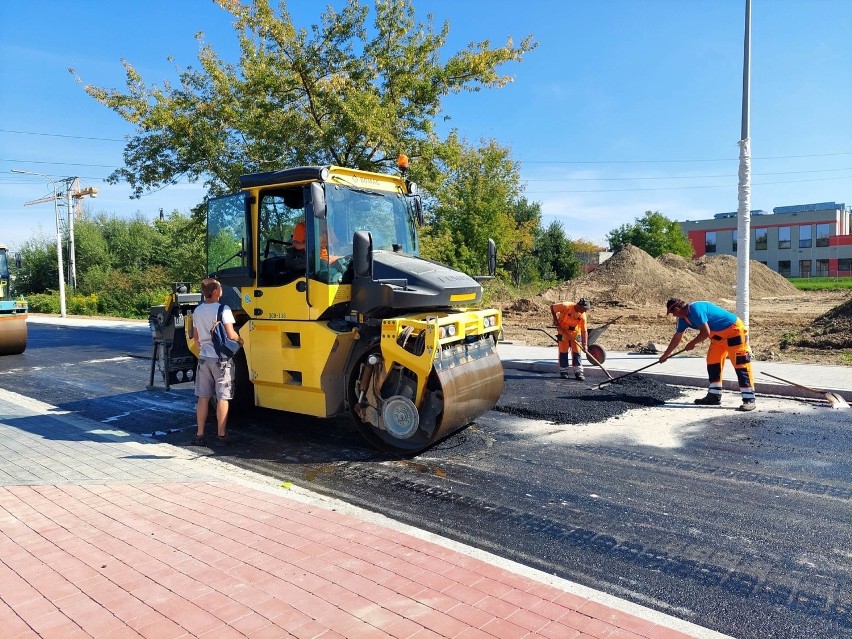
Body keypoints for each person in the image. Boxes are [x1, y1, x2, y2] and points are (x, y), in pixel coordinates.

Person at [659, 298, 756, 411]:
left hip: (734, 333)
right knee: (712, 362)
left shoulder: (695, 309)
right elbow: (677, 336)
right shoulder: (683, 319)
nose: (674, 316)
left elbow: (705, 332)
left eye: (673, 313)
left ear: (677, 309)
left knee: (741, 365)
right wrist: (666, 354)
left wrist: (692, 343)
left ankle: (749, 399)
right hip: (717, 339)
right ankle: (714, 396)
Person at [191, 278, 244, 446]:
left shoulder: (198, 310)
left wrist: (204, 350)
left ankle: (199, 434)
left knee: (203, 397)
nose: (222, 290)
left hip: (204, 359)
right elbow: (230, 334)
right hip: (221, 359)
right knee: (223, 397)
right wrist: (240, 340)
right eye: (219, 288)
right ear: (214, 292)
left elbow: (196, 338)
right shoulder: (223, 309)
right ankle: (221, 435)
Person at [550, 298, 590, 380]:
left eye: (586, 310)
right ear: (579, 306)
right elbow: (552, 307)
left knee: (577, 352)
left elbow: (584, 331)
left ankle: (578, 372)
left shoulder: (583, 316)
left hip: (575, 333)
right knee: (563, 351)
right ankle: (563, 371)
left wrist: (585, 345)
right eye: (584, 309)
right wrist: (555, 319)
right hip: (563, 331)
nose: (584, 311)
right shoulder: (566, 306)